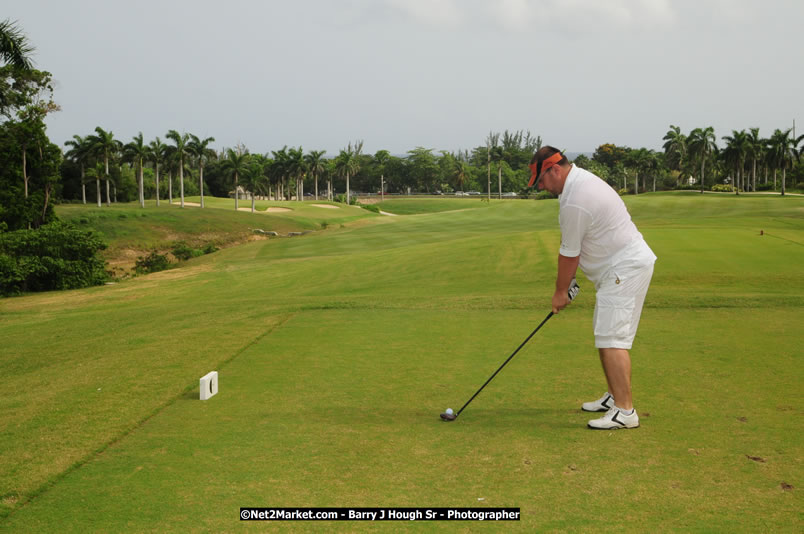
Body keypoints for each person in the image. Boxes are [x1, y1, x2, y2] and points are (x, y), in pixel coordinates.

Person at [529, 146, 656, 430]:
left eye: (541, 180)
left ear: (554, 170)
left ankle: (625, 412)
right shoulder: (576, 185)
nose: (541, 187)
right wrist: (568, 283)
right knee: (605, 333)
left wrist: (561, 292)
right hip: (619, 268)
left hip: (624, 268)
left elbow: (569, 253)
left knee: (612, 338)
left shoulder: (577, 198)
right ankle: (615, 396)